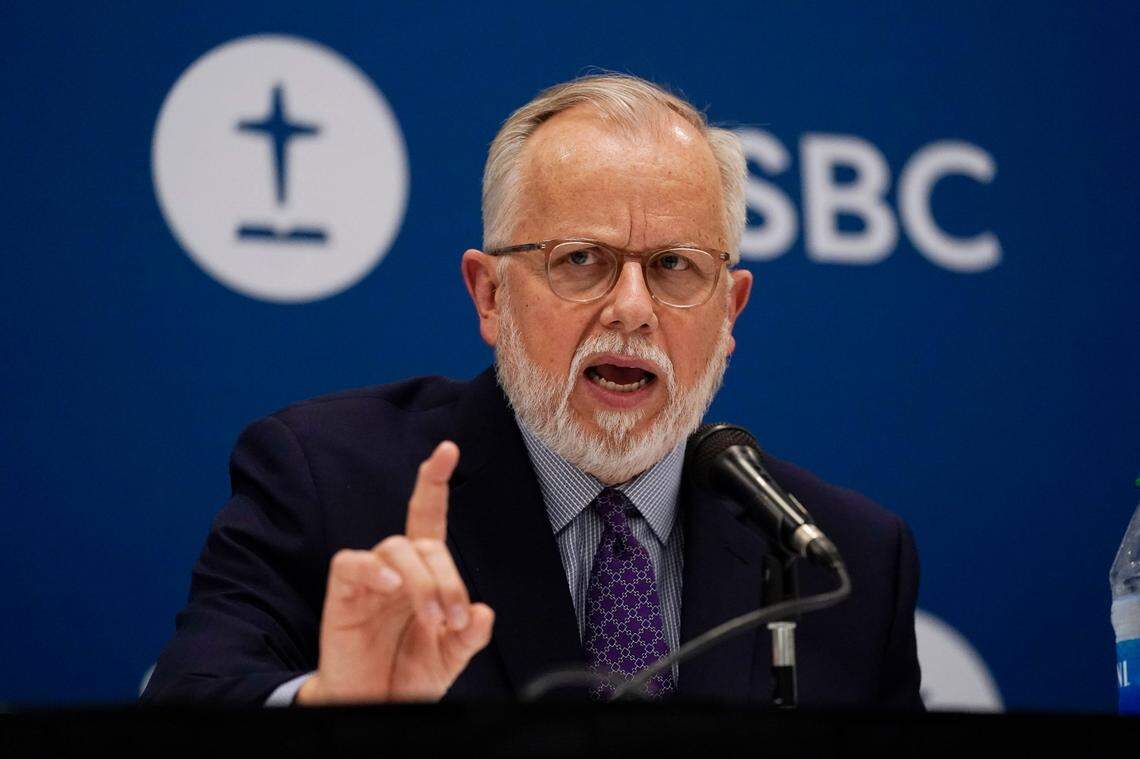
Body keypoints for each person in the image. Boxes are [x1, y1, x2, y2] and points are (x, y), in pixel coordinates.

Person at [142, 74, 923, 708]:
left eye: (675, 266)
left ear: (730, 311)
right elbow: (185, 701)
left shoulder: (842, 556)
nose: (631, 308)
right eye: (581, 259)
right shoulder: (327, 481)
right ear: (489, 295)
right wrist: (329, 709)